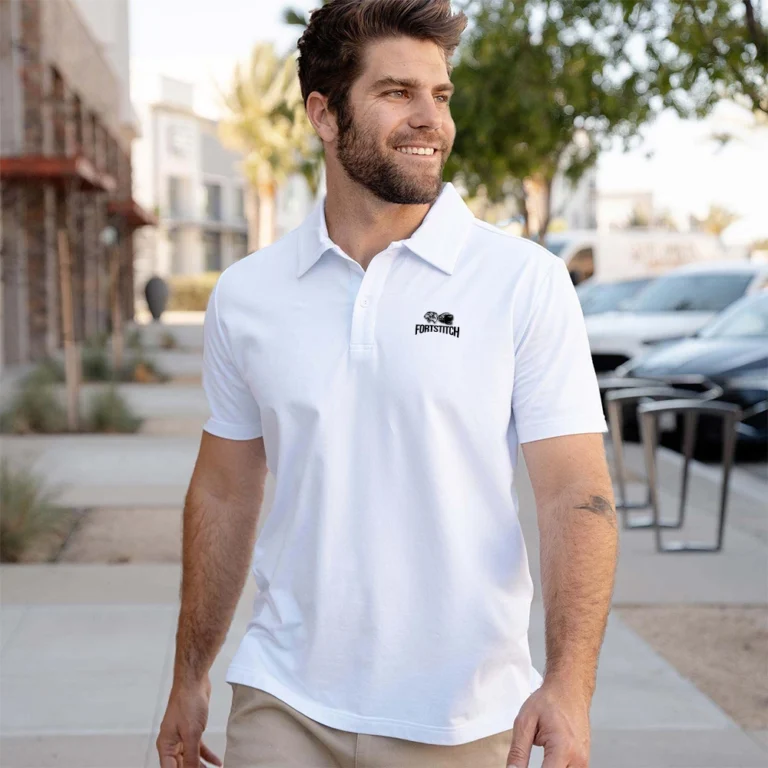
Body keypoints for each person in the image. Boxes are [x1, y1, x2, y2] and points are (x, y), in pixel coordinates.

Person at [156, 1, 618, 766]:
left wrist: (570, 684)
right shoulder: (248, 295)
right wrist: (189, 673)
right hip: (283, 699)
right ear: (324, 115)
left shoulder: (522, 281)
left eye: (440, 95)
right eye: (397, 93)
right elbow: (225, 492)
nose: (430, 119)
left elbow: (575, 492)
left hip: (463, 717)